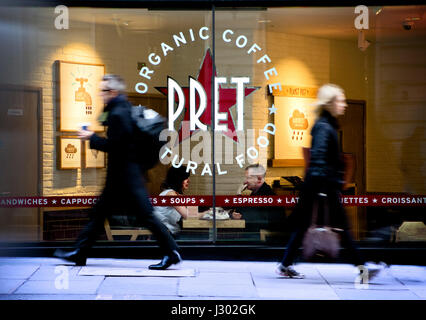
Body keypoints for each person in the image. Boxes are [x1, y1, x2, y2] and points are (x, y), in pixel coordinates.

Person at [54, 74, 181, 270]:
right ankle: (80, 252)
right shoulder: (123, 109)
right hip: (124, 177)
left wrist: (91, 137)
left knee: (145, 216)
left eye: (103, 91)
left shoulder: (118, 114)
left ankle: (171, 252)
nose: (100, 94)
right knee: (100, 214)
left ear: (112, 92)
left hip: (126, 178)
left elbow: (117, 146)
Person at [276, 84, 383, 280]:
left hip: (318, 187)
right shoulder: (325, 127)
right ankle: (362, 268)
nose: (345, 105)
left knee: (304, 226)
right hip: (322, 188)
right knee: (342, 227)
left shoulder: (325, 125)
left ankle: (285, 264)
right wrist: (324, 190)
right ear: (330, 103)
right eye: (341, 100)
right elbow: (318, 158)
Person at [232, 164, 285, 236]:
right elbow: (243, 211)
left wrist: (239, 194)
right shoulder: (257, 193)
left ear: (259, 179)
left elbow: (249, 215)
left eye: (249, 178)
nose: (245, 181)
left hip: (264, 241)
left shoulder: (266, 195)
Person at [153, 165, 198, 236]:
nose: (189, 180)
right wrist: (207, 213)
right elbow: (188, 216)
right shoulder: (171, 194)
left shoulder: (175, 194)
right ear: (178, 179)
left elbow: (190, 214)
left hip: (171, 233)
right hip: (166, 235)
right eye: (185, 178)